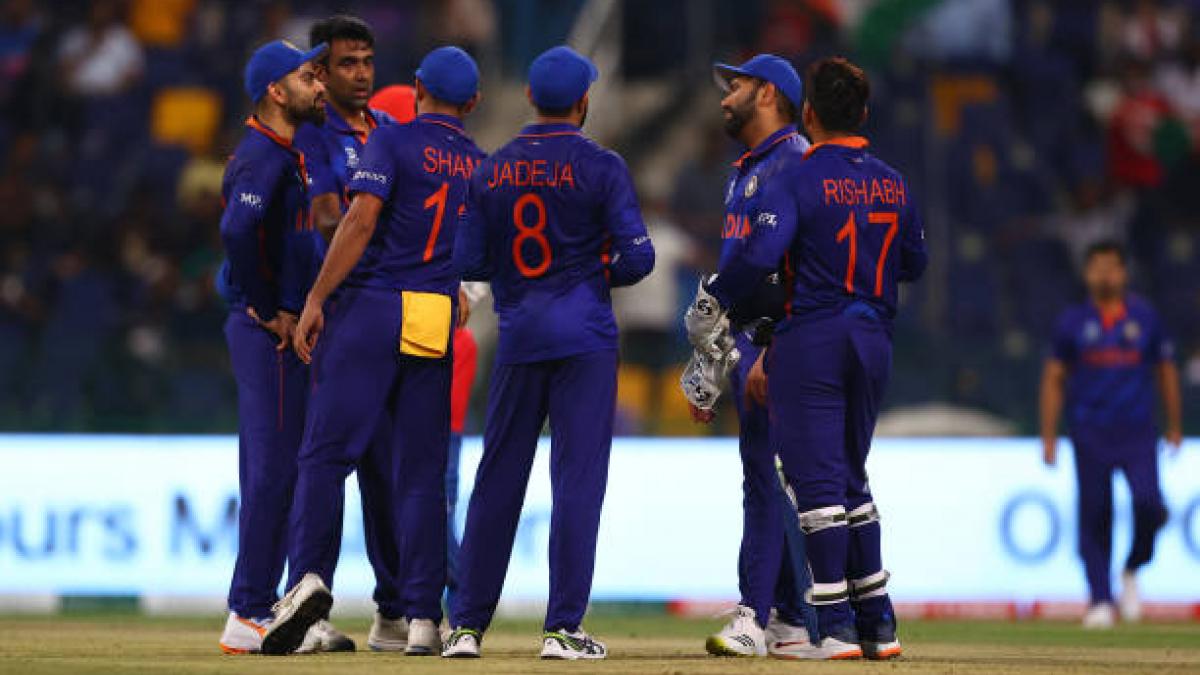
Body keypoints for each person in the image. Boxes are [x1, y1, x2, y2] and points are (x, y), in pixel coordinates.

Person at [698, 56, 927, 660]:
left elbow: (760, 255)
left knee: (815, 481)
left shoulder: (797, 176)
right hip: (874, 335)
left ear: (808, 113)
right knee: (852, 477)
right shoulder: (894, 181)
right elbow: (915, 263)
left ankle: (835, 627)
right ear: (865, 112)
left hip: (813, 335)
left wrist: (714, 297)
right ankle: (879, 623)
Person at [260, 46, 485, 656]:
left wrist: (316, 297)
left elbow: (359, 221)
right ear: (473, 103)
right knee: (421, 475)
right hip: (433, 314)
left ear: (417, 89)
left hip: (373, 306)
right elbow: (475, 249)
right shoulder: (480, 164)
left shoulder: (392, 140)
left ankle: (306, 584)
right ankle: (422, 618)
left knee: (325, 455)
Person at [442, 45, 655, 660]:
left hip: (519, 337)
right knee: (577, 482)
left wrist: (517, 277)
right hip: (584, 338)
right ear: (584, 101)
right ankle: (562, 629)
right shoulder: (603, 166)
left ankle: (465, 627)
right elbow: (639, 257)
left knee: (497, 480)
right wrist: (591, 271)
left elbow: (469, 260)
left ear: (531, 97)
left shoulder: (490, 170)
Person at [685, 53, 815, 659]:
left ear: (767, 94)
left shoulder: (792, 162)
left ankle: (754, 616)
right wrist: (713, 353)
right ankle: (790, 617)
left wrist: (717, 302)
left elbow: (767, 261)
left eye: (735, 86)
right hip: (753, 337)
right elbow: (743, 269)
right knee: (764, 478)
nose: (724, 97)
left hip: (781, 339)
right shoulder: (750, 169)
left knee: (768, 479)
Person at [290, 14, 405, 653]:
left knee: (387, 469)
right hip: (343, 313)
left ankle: (394, 611)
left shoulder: (387, 129)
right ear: (321, 71)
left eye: (366, 61)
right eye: (346, 64)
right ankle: (305, 605)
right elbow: (331, 220)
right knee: (327, 459)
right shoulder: (314, 136)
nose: (361, 74)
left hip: (390, 314)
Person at [214, 38, 327, 656]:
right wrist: (266, 305)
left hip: (273, 326)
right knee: (274, 471)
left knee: (275, 468)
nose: (320, 84)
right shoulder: (264, 154)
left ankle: (259, 605)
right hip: (267, 332)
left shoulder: (284, 150)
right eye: (308, 77)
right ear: (276, 92)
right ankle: (249, 609)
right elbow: (237, 228)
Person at [1040, 241, 1181, 629]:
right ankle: (1101, 598)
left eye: (1112, 267)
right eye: (1097, 267)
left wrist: (1174, 425)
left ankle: (1134, 565)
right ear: (1087, 274)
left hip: (1137, 431)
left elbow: (1166, 370)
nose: (1105, 275)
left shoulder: (1145, 317)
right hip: (1090, 430)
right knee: (1095, 514)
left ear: (1124, 273)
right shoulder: (1072, 322)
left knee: (1149, 504)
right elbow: (1054, 377)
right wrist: (1049, 436)